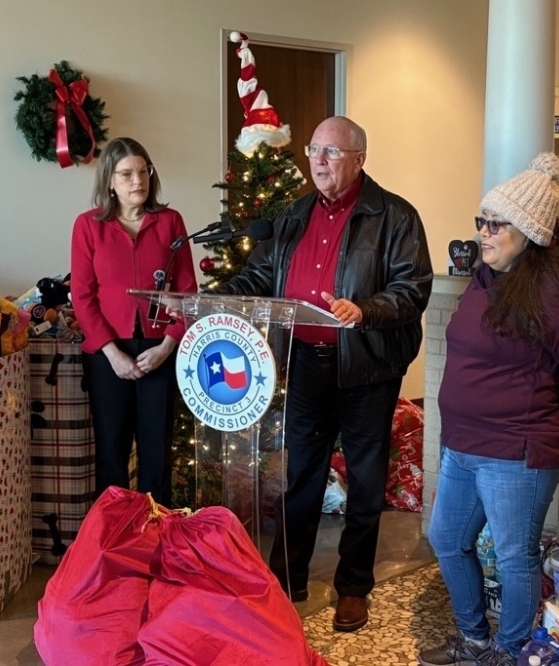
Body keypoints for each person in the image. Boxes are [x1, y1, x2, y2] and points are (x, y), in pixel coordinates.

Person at [210, 116, 433, 632]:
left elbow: (412, 287)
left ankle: (354, 587)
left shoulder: (394, 216)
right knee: (302, 476)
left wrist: (365, 310)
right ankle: (287, 580)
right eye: (314, 150)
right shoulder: (293, 215)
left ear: (359, 159)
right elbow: (262, 275)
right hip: (306, 365)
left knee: (365, 479)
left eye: (331, 152)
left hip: (367, 368)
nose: (319, 160)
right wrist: (216, 297)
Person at [419, 153, 559, 666]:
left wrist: (537, 400)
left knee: (513, 555)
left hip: (516, 449)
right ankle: (475, 638)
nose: (483, 231)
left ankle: (511, 651)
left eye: (496, 223)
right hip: (463, 444)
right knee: (447, 539)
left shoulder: (555, 290)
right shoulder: (484, 279)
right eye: (481, 220)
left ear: (530, 231)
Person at [70, 137, 197, 506]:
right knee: (111, 449)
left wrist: (167, 346)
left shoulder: (171, 222)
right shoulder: (88, 226)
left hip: (159, 350)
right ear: (109, 180)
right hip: (108, 353)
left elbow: (186, 293)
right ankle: (113, 541)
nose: (137, 181)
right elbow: (83, 296)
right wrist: (112, 353)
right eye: (126, 174)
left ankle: (158, 540)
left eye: (143, 172)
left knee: (157, 450)